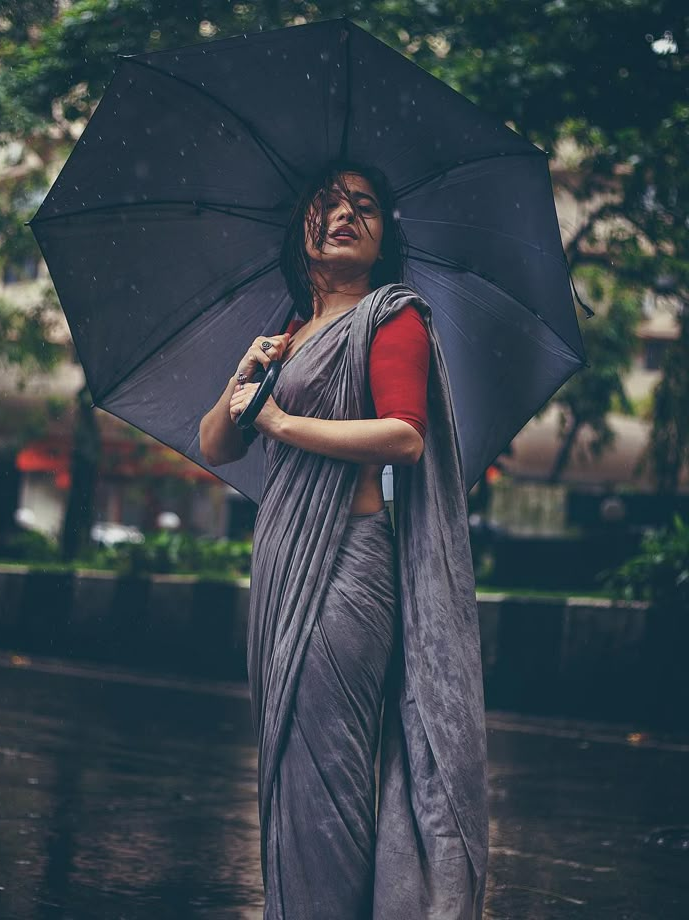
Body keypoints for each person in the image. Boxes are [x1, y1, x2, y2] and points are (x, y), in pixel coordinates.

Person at [198, 159, 488, 919]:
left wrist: (283, 421)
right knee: (287, 760)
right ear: (303, 230)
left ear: (384, 234)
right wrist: (247, 373)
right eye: (327, 205)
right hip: (282, 569)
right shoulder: (288, 337)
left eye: (363, 206)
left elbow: (404, 437)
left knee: (327, 765)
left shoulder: (391, 317)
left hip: (346, 566)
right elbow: (217, 447)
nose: (343, 214)